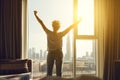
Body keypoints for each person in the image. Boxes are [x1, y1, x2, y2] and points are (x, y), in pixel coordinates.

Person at [34, 10, 82, 77]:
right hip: (58, 53)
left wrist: (35, 15)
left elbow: (41, 22)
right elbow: (70, 27)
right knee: (59, 73)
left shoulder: (48, 32)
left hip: (51, 53)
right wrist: (78, 21)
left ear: (52, 26)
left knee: (49, 73)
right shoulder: (61, 34)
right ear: (59, 27)